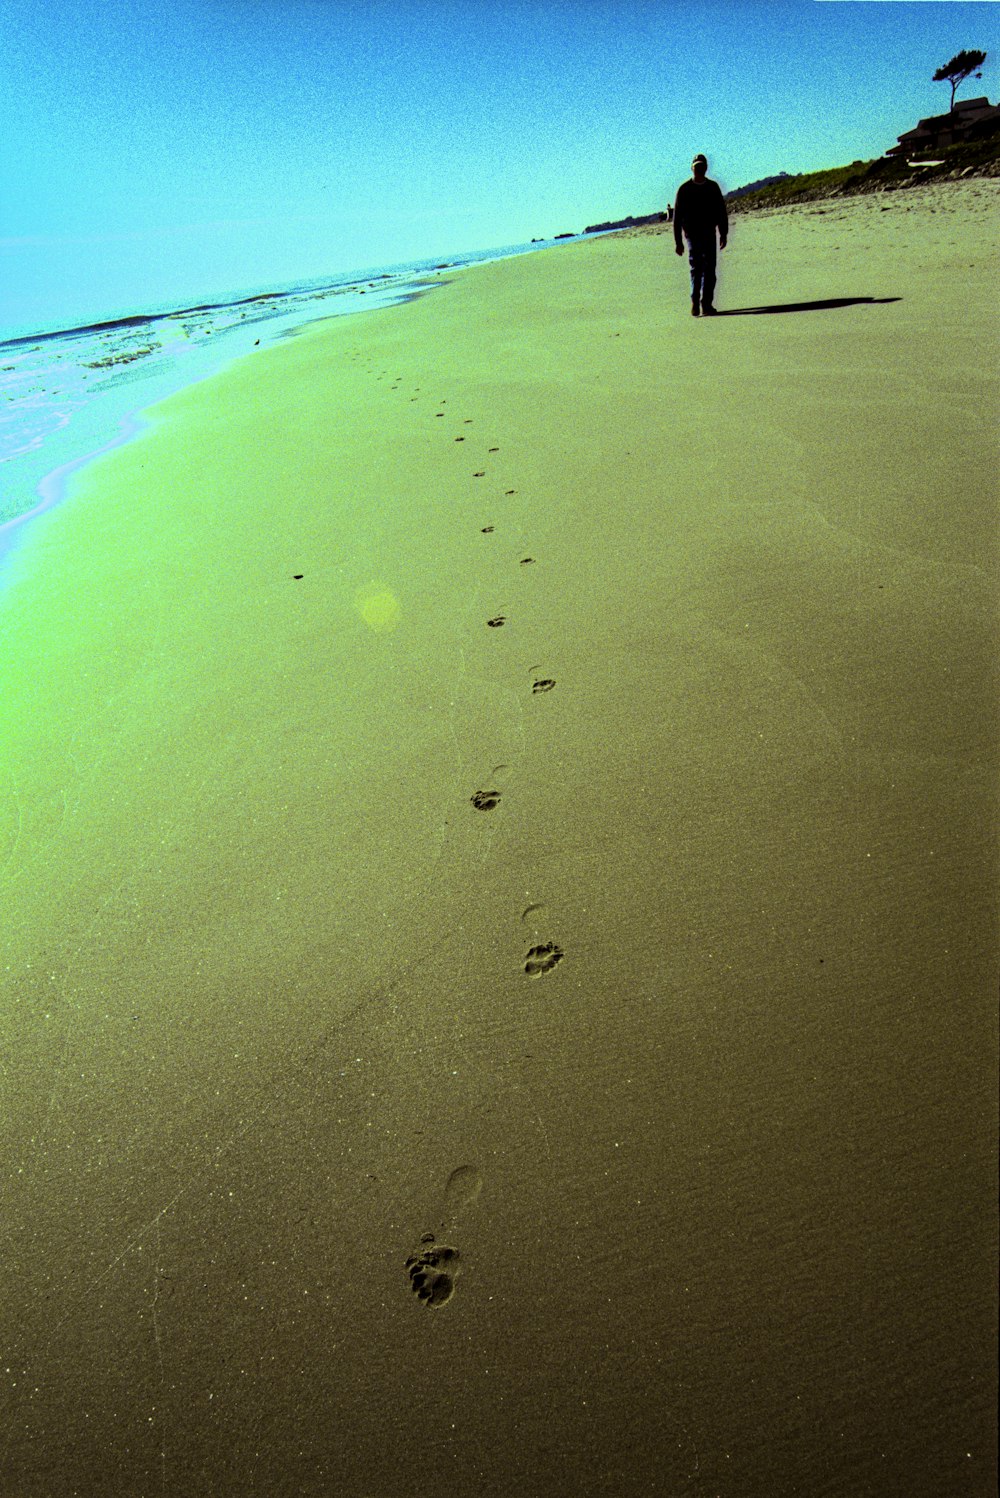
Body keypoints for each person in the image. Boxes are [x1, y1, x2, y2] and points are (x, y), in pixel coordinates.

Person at [673, 154, 728, 316]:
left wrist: (723, 233)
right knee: (696, 268)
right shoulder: (684, 189)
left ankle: (706, 304)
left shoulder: (712, 187)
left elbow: (721, 212)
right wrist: (678, 242)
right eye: (696, 166)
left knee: (710, 269)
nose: (699, 169)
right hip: (691, 235)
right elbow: (677, 218)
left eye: (702, 166)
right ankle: (695, 301)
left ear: (706, 168)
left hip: (709, 233)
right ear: (692, 168)